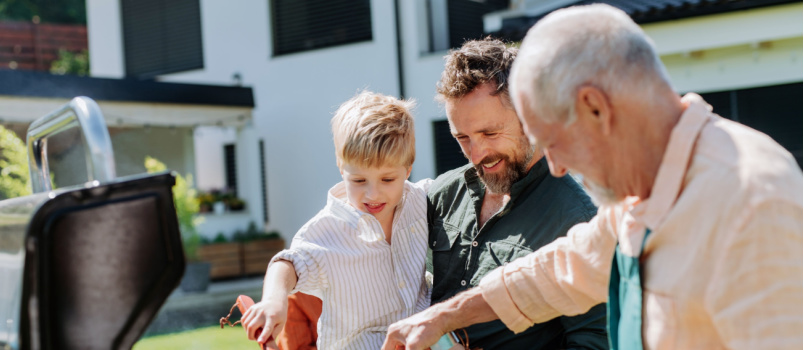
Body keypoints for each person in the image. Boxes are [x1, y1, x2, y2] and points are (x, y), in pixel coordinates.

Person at [383, 4, 802, 350]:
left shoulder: (751, 202)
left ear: (595, 108)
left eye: (554, 140)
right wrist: (442, 317)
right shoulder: (645, 191)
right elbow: (560, 270)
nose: (559, 167)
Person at [424, 38, 608, 349]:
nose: (477, 152)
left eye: (490, 133)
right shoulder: (443, 193)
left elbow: (594, 343)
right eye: (463, 137)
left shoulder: (580, 218)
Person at [243, 91, 432, 349]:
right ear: (341, 167)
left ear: (408, 169)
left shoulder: (421, 201)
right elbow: (287, 263)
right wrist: (274, 301)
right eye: (358, 180)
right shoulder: (326, 232)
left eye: (388, 179)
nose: (373, 194)